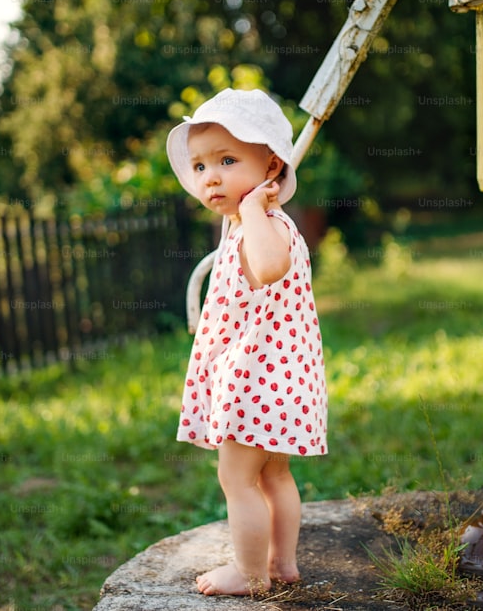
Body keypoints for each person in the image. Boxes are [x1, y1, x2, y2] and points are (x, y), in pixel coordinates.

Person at [166, 88, 328, 597]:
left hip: (257, 385)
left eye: (227, 160)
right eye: (199, 166)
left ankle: (252, 572)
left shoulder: (266, 225)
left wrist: (255, 210)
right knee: (273, 477)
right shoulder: (242, 224)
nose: (210, 176)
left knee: (237, 480)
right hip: (275, 383)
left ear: (271, 165)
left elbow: (270, 267)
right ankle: (282, 563)